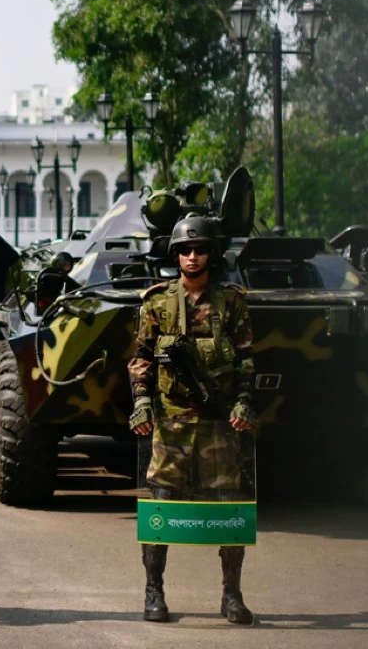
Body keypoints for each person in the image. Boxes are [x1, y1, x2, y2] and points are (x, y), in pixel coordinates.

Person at [127, 216, 257, 625]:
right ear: (176, 256)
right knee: (161, 508)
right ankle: (154, 591)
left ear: (211, 254)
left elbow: (246, 362)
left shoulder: (232, 301)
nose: (193, 256)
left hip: (220, 422)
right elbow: (141, 360)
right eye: (185, 250)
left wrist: (244, 404)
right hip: (171, 423)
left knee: (230, 509)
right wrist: (142, 404)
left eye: (199, 249)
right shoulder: (156, 302)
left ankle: (231, 595)